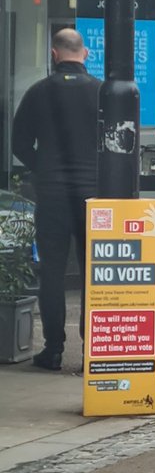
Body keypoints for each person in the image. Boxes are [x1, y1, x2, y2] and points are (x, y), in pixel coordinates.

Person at [12, 29, 101, 371]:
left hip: (51, 195)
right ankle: (93, 352)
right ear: (86, 53)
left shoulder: (38, 92)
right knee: (93, 273)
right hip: (93, 196)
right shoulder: (100, 92)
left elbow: (20, 144)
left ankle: (52, 350)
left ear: (53, 54)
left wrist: (42, 169)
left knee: (51, 272)